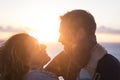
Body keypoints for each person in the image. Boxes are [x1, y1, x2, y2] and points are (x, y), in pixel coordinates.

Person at [46, 9, 120, 80]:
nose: (59, 39)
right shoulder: (65, 58)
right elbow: (41, 76)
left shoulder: (111, 67)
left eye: (64, 34)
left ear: (80, 33)